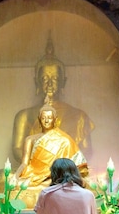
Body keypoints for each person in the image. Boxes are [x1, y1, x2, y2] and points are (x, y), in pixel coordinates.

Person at [9, 37, 95, 168]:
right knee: (0, 177)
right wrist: (40, 164)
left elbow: (86, 152)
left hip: (66, 173)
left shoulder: (79, 116)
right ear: (36, 81)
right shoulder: (24, 116)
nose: (49, 84)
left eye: (55, 78)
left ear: (63, 81)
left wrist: (63, 168)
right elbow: (17, 150)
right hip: (36, 172)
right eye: (44, 79)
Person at [15, 105, 89, 188]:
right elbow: (24, 163)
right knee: (17, 184)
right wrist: (16, 176)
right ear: (39, 120)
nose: (46, 121)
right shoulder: (30, 139)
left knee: (62, 181)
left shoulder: (64, 140)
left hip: (55, 177)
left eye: (49, 118)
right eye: (43, 118)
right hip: (32, 174)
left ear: (55, 120)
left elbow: (73, 168)